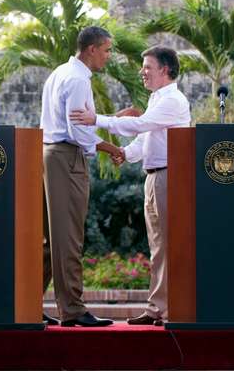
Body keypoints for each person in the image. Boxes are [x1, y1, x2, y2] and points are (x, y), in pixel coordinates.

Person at [70, 46, 191, 325]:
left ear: (165, 70)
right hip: (155, 176)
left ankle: (171, 310)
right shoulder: (158, 99)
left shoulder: (173, 100)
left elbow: (141, 125)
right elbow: (147, 137)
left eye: (147, 67)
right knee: (159, 246)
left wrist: (97, 120)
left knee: (168, 245)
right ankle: (157, 309)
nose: (142, 72)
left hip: (169, 177)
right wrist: (125, 154)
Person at [41, 26, 120, 327]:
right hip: (66, 157)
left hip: (52, 155)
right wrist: (110, 145)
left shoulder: (59, 73)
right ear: (91, 49)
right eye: (107, 50)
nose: (108, 57)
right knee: (69, 239)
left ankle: (25, 303)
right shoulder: (76, 79)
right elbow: (79, 130)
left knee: (51, 242)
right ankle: (72, 309)